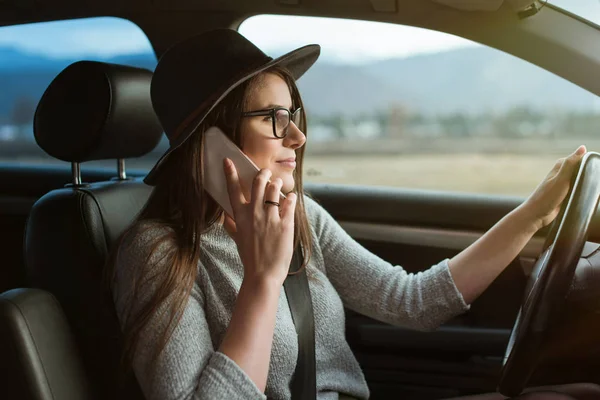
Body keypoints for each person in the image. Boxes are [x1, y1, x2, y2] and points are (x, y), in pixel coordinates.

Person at [108, 28, 598, 400]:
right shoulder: (157, 254)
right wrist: (262, 280)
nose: (297, 138)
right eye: (274, 119)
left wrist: (534, 214)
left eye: (294, 116)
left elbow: (414, 302)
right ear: (211, 143)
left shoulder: (301, 218)